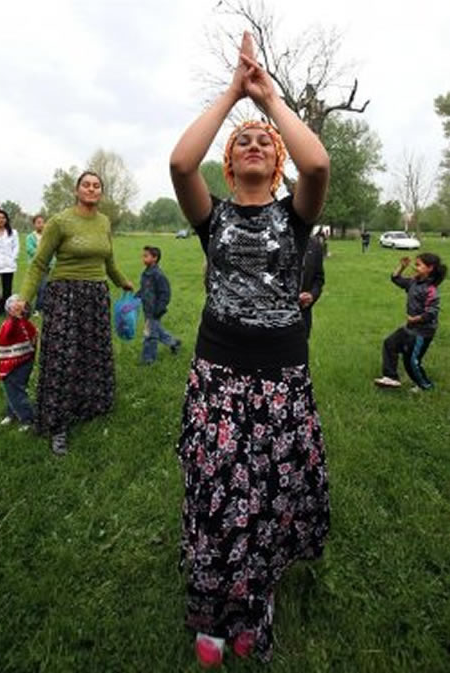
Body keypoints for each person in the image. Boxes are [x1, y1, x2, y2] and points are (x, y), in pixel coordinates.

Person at [170, 32, 330, 666]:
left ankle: (255, 604)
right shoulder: (213, 218)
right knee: (215, 490)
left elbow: (317, 165)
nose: (256, 142)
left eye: (265, 140)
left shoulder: (297, 215)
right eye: (244, 142)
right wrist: (233, 94)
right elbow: (182, 165)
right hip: (218, 376)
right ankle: (210, 612)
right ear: (230, 167)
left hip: (281, 380)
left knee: (266, 499)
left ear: (278, 161)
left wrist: (269, 98)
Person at [12, 171, 133, 456]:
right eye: (86, 185)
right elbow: (39, 264)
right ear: (77, 190)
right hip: (64, 295)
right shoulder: (60, 222)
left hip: (96, 295)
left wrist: (122, 281)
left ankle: (89, 407)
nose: (91, 189)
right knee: (61, 358)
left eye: (96, 186)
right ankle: (57, 425)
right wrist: (24, 298)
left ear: (100, 192)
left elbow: (108, 260)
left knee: (93, 355)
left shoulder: (103, 222)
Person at [374, 253, 447, 391]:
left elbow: (432, 312)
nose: (415, 267)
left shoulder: (431, 290)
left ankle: (426, 386)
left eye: (419, 265)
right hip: (410, 327)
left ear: (429, 268)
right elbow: (395, 278)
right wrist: (401, 267)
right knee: (390, 343)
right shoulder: (413, 282)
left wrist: (416, 319)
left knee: (411, 362)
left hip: (423, 332)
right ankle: (391, 377)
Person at [0, 295, 37, 431]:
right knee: (13, 391)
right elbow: (33, 341)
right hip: (22, 362)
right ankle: (12, 412)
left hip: (16, 365)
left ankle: (28, 419)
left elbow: (9, 333)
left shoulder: (14, 324)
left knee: (16, 391)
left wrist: (15, 317)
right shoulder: (25, 324)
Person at [135, 245, 181, 364]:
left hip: (155, 310)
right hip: (147, 308)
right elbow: (145, 288)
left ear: (155, 258)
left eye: (146, 256)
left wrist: (160, 308)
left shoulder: (158, 275)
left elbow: (165, 293)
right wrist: (137, 296)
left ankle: (148, 359)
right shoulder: (146, 273)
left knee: (150, 335)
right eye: (143, 256)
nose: (143, 258)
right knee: (156, 330)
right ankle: (174, 343)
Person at [299, 234, 325, 339]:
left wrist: (312, 295)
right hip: (275, 316)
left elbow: (319, 279)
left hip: (303, 313)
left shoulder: (315, 245)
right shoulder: (273, 241)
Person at [26, 214, 49, 314]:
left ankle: (39, 308)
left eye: (43, 222)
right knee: (36, 288)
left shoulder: (49, 236)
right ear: (34, 224)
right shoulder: (30, 237)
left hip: (47, 266)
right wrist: (42, 253)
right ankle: (32, 308)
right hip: (35, 266)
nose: (41, 225)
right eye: (38, 222)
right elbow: (30, 250)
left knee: (44, 288)